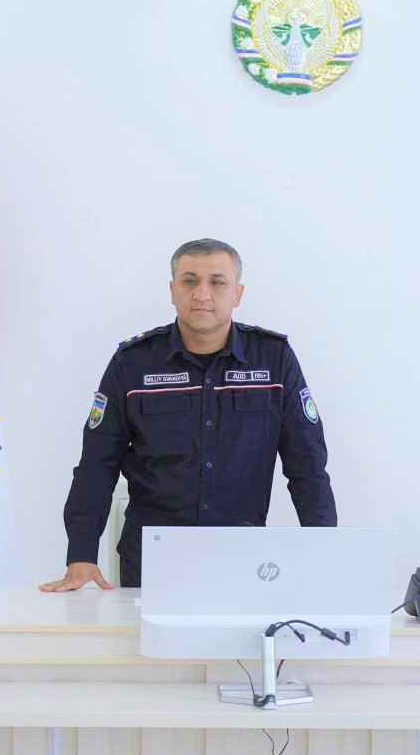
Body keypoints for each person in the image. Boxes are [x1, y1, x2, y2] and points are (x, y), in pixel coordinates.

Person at [41, 239, 337, 591]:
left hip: (244, 559)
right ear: (172, 290)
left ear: (238, 293)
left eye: (217, 282)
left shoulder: (274, 360)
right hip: (152, 562)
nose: (202, 294)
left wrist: (325, 551)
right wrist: (81, 554)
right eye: (190, 281)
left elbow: (307, 465)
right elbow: (96, 465)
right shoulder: (133, 363)